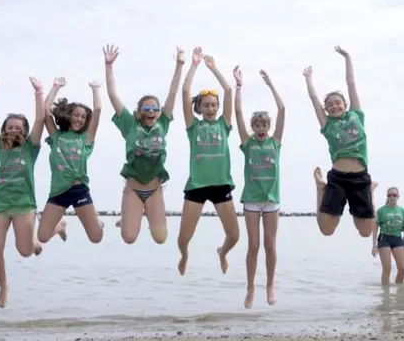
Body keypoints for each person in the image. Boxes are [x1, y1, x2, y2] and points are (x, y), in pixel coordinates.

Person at [0, 76, 63, 309]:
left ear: (25, 131)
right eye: (10, 127)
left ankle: (56, 227)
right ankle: (4, 285)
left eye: (18, 127)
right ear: (4, 129)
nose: (13, 130)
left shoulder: (30, 147)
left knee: (25, 251)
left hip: (24, 205)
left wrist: (39, 91)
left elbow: (40, 118)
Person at [104, 44, 184, 244]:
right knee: (129, 238)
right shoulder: (130, 125)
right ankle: (128, 216)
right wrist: (108, 66)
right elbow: (113, 96)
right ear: (139, 111)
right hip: (133, 187)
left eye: (155, 108)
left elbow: (173, 93)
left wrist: (180, 65)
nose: (152, 111)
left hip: (155, 188)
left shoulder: (163, 123)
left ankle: (142, 213)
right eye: (147, 108)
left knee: (161, 238)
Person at [178, 47, 238, 275]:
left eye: (214, 105)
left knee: (234, 235)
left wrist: (214, 69)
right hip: (197, 187)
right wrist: (193, 65)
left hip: (221, 184)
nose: (211, 108)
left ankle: (222, 252)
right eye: (206, 105)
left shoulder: (224, 125)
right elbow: (185, 91)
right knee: (183, 239)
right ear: (199, 108)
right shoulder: (194, 127)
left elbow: (228, 89)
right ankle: (185, 255)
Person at [305, 46, 375, 238]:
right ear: (326, 110)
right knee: (326, 230)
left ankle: (371, 192)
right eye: (330, 105)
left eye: (338, 102)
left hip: (360, 178)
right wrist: (308, 79)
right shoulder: (328, 126)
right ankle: (321, 187)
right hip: (338, 178)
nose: (335, 105)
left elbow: (351, 83)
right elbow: (313, 99)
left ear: (345, 105)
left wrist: (347, 57)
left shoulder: (356, 116)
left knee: (366, 232)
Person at [233, 66, 285, 308]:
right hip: (252, 199)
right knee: (253, 245)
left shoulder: (275, 143)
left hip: (271, 199)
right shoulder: (247, 143)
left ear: (269, 127)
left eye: (265, 125)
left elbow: (282, 109)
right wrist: (239, 87)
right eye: (258, 125)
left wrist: (270, 83)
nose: (261, 129)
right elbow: (238, 112)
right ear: (253, 127)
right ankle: (250, 287)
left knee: (270, 245)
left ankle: (270, 285)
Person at [37, 76, 102, 244]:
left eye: (83, 117)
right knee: (42, 237)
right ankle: (60, 227)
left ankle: (99, 222)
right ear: (69, 115)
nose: (79, 119)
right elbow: (45, 110)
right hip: (58, 192)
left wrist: (96, 89)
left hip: (79, 189)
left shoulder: (86, 139)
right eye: (76, 115)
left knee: (96, 238)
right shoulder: (57, 136)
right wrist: (55, 87)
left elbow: (98, 110)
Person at [372, 186, 404, 285]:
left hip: (397, 239)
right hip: (384, 238)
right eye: (389, 195)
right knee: (387, 269)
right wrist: (374, 245)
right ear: (387, 197)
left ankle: (398, 292)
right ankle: (385, 296)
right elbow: (375, 227)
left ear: (398, 196)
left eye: (394, 195)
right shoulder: (381, 210)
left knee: (403, 269)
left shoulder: (402, 210)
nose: (391, 197)